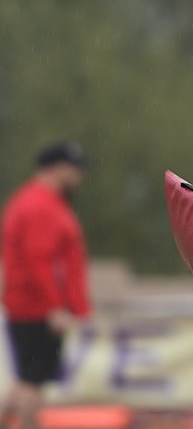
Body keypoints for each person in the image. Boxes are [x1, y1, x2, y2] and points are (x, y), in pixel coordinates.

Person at [0, 141, 91, 429]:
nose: (78, 176)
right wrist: (55, 306)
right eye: (74, 169)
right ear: (57, 169)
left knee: (26, 381)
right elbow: (40, 261)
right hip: (36, 307)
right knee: (31, 384)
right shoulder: (40, 205)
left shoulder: (40, 202)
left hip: (31, 305)